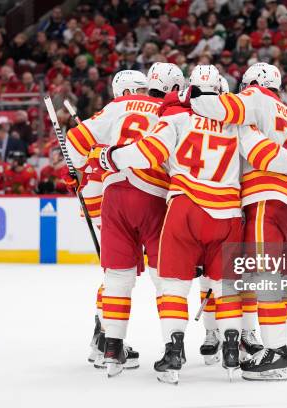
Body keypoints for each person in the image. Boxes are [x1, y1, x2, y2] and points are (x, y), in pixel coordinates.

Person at [89, 65, 287, 384]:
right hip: (243, 209)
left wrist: (108, 159)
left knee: (170, 283)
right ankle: (233, 346)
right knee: (236, 283)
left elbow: (150, 152)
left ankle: (168, 348)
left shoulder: (183, 115)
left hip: (190, 206)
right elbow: (264, 152)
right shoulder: (250, 124)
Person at [178, 62, 287, 380]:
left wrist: (194, 93)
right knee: (277, 280)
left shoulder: (253, 98)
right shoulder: (286, 112)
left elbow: (210, 106)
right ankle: (273, 343)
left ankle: (275, 354)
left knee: (265, 279)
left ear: (251, 82)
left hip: (266, 199)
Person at [68, 65, 185, 377]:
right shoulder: (171, 112)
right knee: (166, 279)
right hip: (155, 197)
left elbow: (74, 143)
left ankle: (111, 350)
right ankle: (172, 351)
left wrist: (78, 166)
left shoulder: (116, 107)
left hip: (114, 197)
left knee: (117, 278)